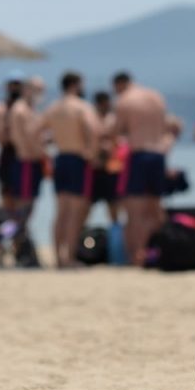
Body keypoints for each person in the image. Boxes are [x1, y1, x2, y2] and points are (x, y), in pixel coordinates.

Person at [36, 71, 103, 268]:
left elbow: (35, 132)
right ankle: (69, 257)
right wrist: (91, 152)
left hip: (60, 158)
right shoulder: (81, 107)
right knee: (75, 212)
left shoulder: (53, 108)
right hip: (77, 159)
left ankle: (58, 257)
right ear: (75, 85)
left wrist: (45, 152)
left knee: (61, 212)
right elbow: (95, 129)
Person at [110, 71, 168, 265]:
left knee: (135, 212)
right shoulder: (156, 97)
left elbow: (115, 132)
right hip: (159, 155)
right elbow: (166, 128)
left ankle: (136, 256)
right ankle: (156, 252)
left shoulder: (125, 101)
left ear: (119, 85)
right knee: (156, 210)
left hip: (138, 155)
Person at [8, 76, 48, 234]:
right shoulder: (21, 110)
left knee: (29, 205)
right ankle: (16, 238)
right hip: (26, 162)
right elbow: (28, 139)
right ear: (27, 89)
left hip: (33, 162)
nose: (40, 93)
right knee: (23, 206)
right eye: (37, 90)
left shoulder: (29, 109)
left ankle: (19, 237)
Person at [92, 91, 125, 224]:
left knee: (114, 206)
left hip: (112, 168)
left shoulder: (113, 119)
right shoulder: (92, 118)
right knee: (86, 206)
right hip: (96, 167)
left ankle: (115, 237)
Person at [0, 72, 23, 213]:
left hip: (23, 157)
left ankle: (18, 230)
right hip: (9, 156)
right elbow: (1, 138)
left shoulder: (25, 108)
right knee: (7, 199)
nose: (15, 88)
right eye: (12, 85)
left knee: (23, 200)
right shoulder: (1, 108)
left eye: (17, 85)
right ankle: (9, 231)